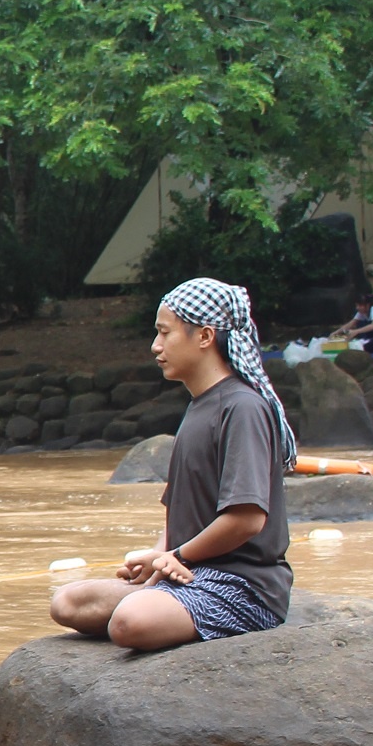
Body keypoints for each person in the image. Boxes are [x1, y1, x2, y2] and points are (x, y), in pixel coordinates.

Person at [50, 279, 295, 650]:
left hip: (242, 588)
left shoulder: (242, 408)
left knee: (130, 622)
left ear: (205, 336)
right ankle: (159, 599)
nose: (156, 346)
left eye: (165, 333)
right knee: (68, 602)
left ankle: (163, 606)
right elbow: (179, 512)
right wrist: (157, 558)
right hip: (190, 574)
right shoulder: (200, 406)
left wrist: (177, 556)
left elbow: (247, 518)